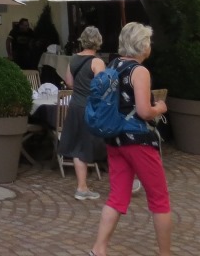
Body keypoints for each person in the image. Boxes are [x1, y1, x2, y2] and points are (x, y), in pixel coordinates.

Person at [88, 22, 171, 256]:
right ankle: (165, 253)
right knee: (159, 199)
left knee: (117, 196)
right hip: (138, 140)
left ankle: (99, 248)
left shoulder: (113, 65)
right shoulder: (139, 71)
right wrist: (161, 108)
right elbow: (144, 111)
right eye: (149, 41)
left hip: (114, 139)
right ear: (143, 45)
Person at [59, 26, 106, 200]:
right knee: (93, 143)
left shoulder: (73, 59)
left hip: (75, 105)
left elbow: (69, 82)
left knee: (79, 146)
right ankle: (84, 187)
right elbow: (101, 87)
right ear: (98, 41)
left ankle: (82, 186)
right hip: (91, 107)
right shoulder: (97, 62)